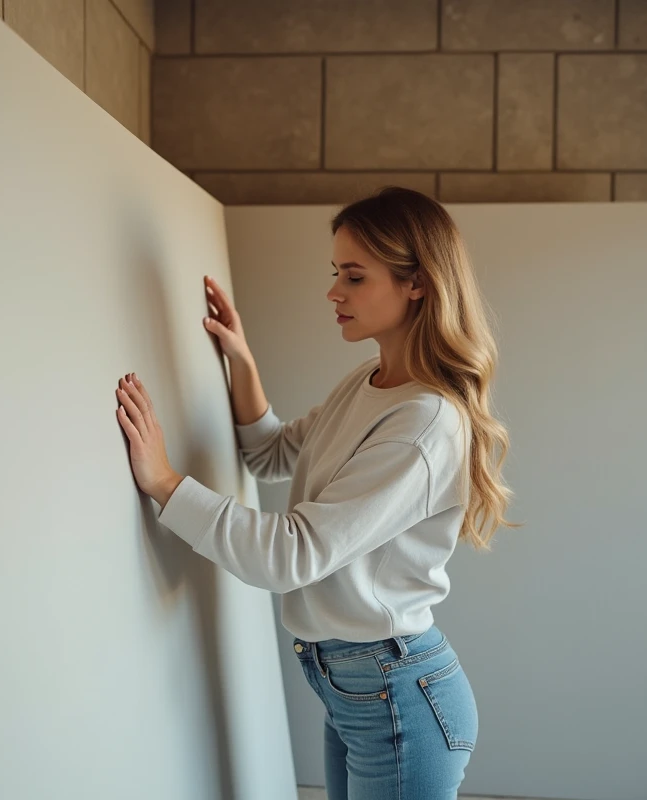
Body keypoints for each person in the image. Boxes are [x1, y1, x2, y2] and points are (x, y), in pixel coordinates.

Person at [114, 186, 515, 799]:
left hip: (394, 693)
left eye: (354, 277)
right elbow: (271, 454)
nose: (334, 292)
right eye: (336, 273)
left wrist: (166, 484)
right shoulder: (371, 382)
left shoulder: (425, 424)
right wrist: (240, 361)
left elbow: (290, 555)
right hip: (355, 686)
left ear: (418, 284)